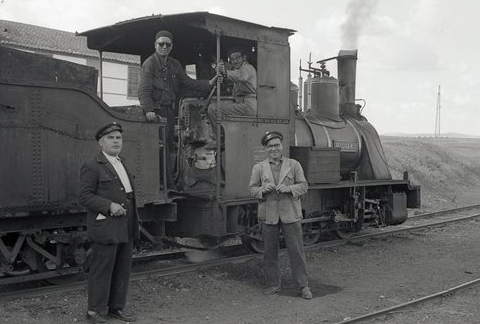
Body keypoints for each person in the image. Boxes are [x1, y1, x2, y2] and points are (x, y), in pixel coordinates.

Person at [138, 30, 218, 187]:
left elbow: (188, 82)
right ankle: (161, 183)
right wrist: (148, 111)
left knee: (168, 146)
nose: (164, 47)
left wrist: (208, 84)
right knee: (158, 148)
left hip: (169, 111)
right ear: (155, 45)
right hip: (156, 112)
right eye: (161, 44)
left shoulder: (174, 64)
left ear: (171, 46)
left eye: (167, 44)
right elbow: (143, 91)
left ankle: (169, 182)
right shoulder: (149, 64)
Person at [78, 122, 139, 323]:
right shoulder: (92, 165)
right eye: (110, 138)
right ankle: (94, 311)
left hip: (126, 224)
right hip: (106, 225)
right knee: (102, 269)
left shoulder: (123, 162)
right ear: (101, 142)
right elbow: (85, 196)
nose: (115, 141)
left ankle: (115, 308)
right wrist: (108, 205)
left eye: (118, 138)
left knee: (122, 268)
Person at [248, 131, 313, 300]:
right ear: (265, 149)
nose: (274, 149)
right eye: (270, 146)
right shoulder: (259, 168)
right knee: (269, 252)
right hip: (269, 215)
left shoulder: (294, 164)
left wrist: (290, 189)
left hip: (290, 214)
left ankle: (303, 286)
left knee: (296, 252)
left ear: (282, 146)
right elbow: (252, 189)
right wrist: (263, 190)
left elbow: (304, 186)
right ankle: (273, 284)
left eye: (276, 145)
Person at [206, 46, 257, 145]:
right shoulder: (238, 69)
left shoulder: (247, 68)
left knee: (213, 109)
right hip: (242, 104)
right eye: (232, 59)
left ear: (244, 58)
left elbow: (241, 76)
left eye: (238, 58)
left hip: (247, 106)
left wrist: (225, 73)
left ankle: (220, 140)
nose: (235, 61)